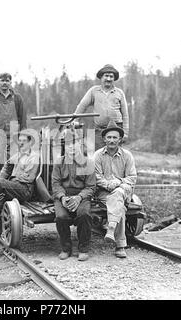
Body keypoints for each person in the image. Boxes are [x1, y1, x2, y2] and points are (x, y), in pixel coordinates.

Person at [51, 127, 96, 261]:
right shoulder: (59, 162)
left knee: (84, 215)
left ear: (80, 145)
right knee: (61, 217)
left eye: (74, 143)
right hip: (63, 196)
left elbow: (91, 187)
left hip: (82, 196)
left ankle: (83, 249)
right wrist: (62, 197)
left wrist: (79, 197)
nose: (71, 147)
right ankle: (66, 248)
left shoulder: (88, 162)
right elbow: (55, 184)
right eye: (68, 144)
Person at [94, 120, 137, 258]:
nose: (112, 140)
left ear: (119, 140)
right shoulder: (97, 156)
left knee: (118, 194)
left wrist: (118, 182)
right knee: (120, 208)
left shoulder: (127, 156)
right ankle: (120, 246)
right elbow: (96, 176)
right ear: (104, 139)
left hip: (123, 190)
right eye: (109, 137)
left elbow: (132, 177)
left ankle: (111, 227)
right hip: (103, 192)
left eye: (115, 137)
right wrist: (107, 184)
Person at [74, 64, 129, 151]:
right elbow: (82, 106)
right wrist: (75, 120)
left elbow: (125, 115)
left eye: (111, 76)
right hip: (99, 131)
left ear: (114, 79)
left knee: (116, 156)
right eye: (106, 76)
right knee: (99, 156)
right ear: (101, 77)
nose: (108, 79)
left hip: (116, 130)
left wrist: (125, 133)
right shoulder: (94, 91)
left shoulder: (119, 93)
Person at [0, 72, 27, 180]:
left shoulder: (17, 98)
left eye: (7, 81)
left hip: (14, 137)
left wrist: (23, 135)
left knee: (13, 164)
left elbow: (22, 118)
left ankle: (8, 190)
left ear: (10, 82)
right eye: (2, 81)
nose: (5, 83)